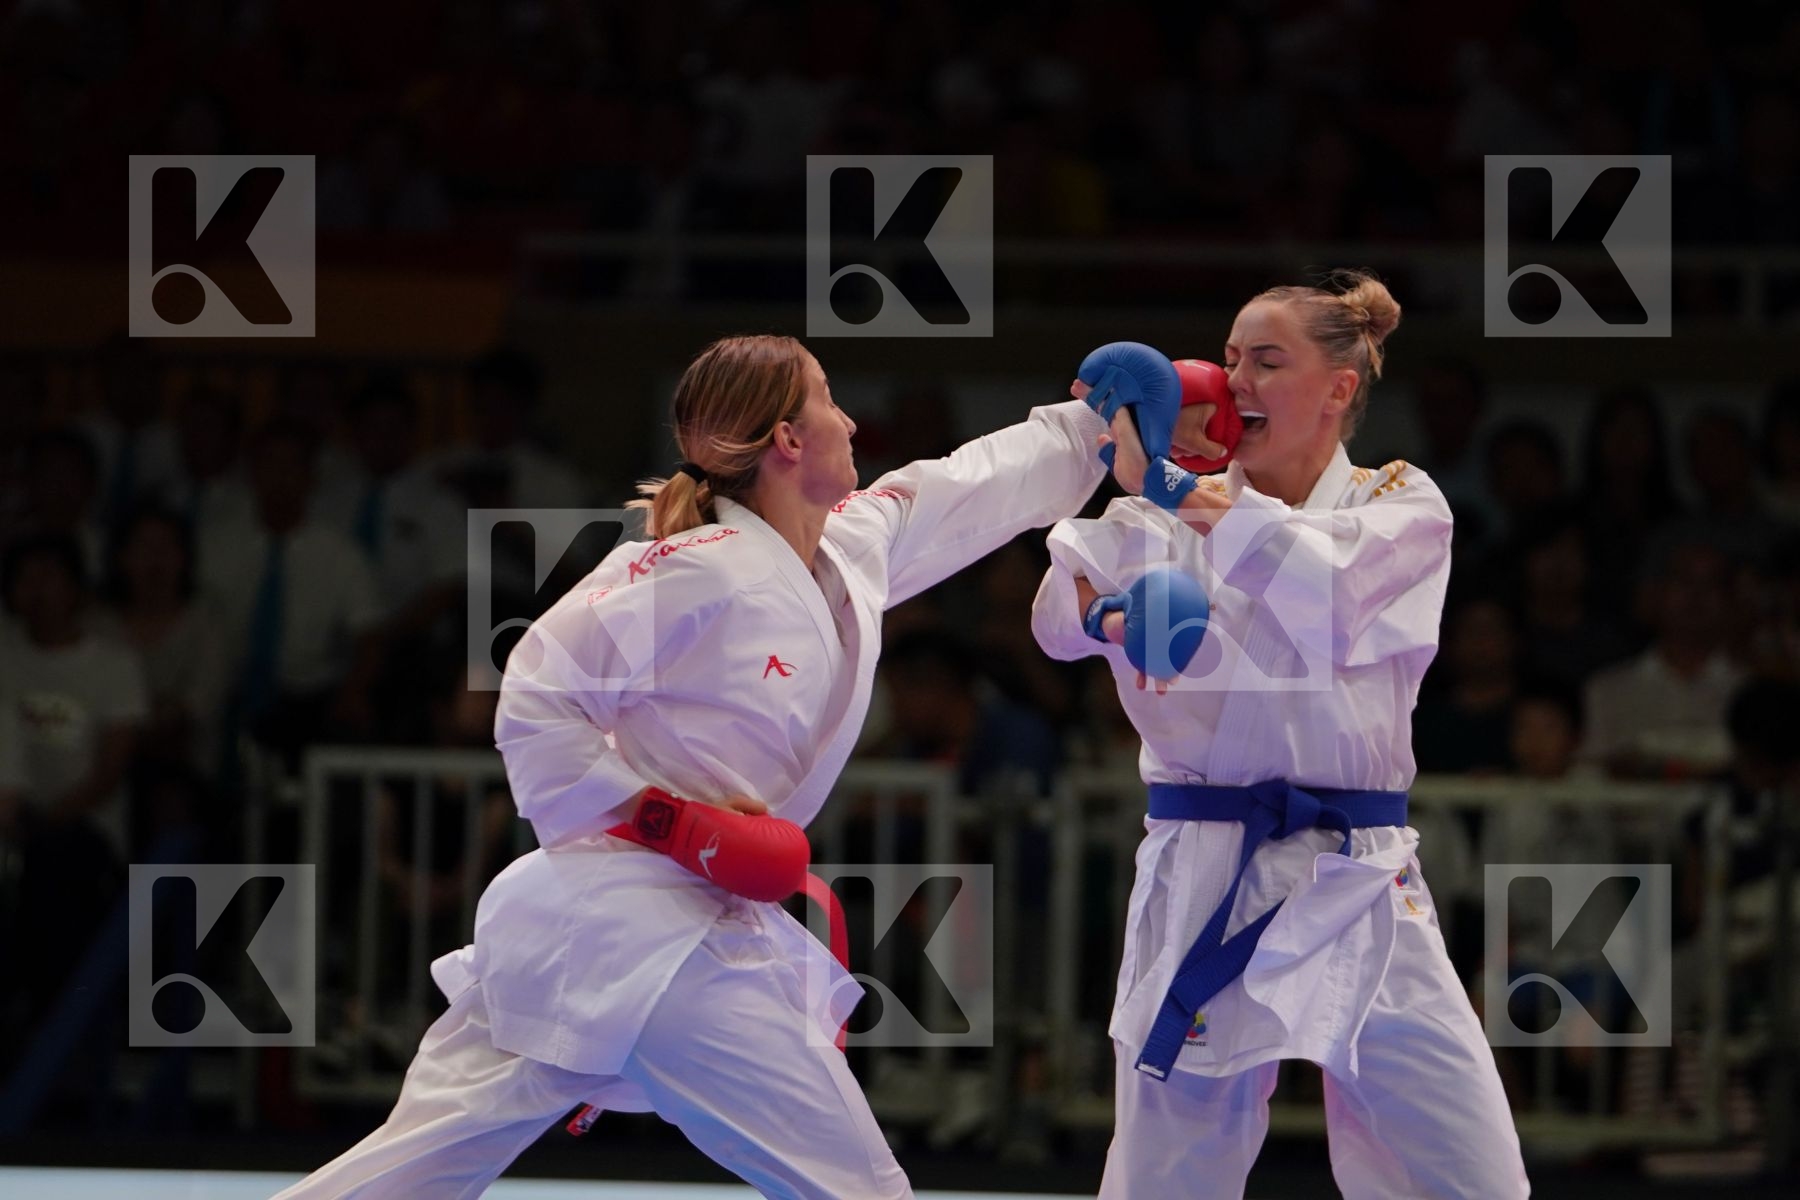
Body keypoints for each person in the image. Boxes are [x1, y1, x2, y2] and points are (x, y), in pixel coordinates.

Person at [274, 333, 1108, 1198]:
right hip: (647, 929)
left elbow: (971, 486)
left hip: (609, 935)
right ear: (787, 440)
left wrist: (1097, 427)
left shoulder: (847, 548)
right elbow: (534, 688)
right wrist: (667, 822)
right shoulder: (692, 566)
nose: (852, 420)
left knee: (403, 1175)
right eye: (829, 399)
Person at [1030, 273, 1528, 1198]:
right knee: (1167, 1176)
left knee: (1472, 1174)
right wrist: (1114, 621)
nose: (1236, 380)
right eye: (1228, 360)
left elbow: (1330, 595)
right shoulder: (1161, 509)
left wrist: (1178, 491)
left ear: (1340, 388)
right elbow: (1057, 608)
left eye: (1267, 361)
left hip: (1361, 874)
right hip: (1205, 862)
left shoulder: (1400, 502)